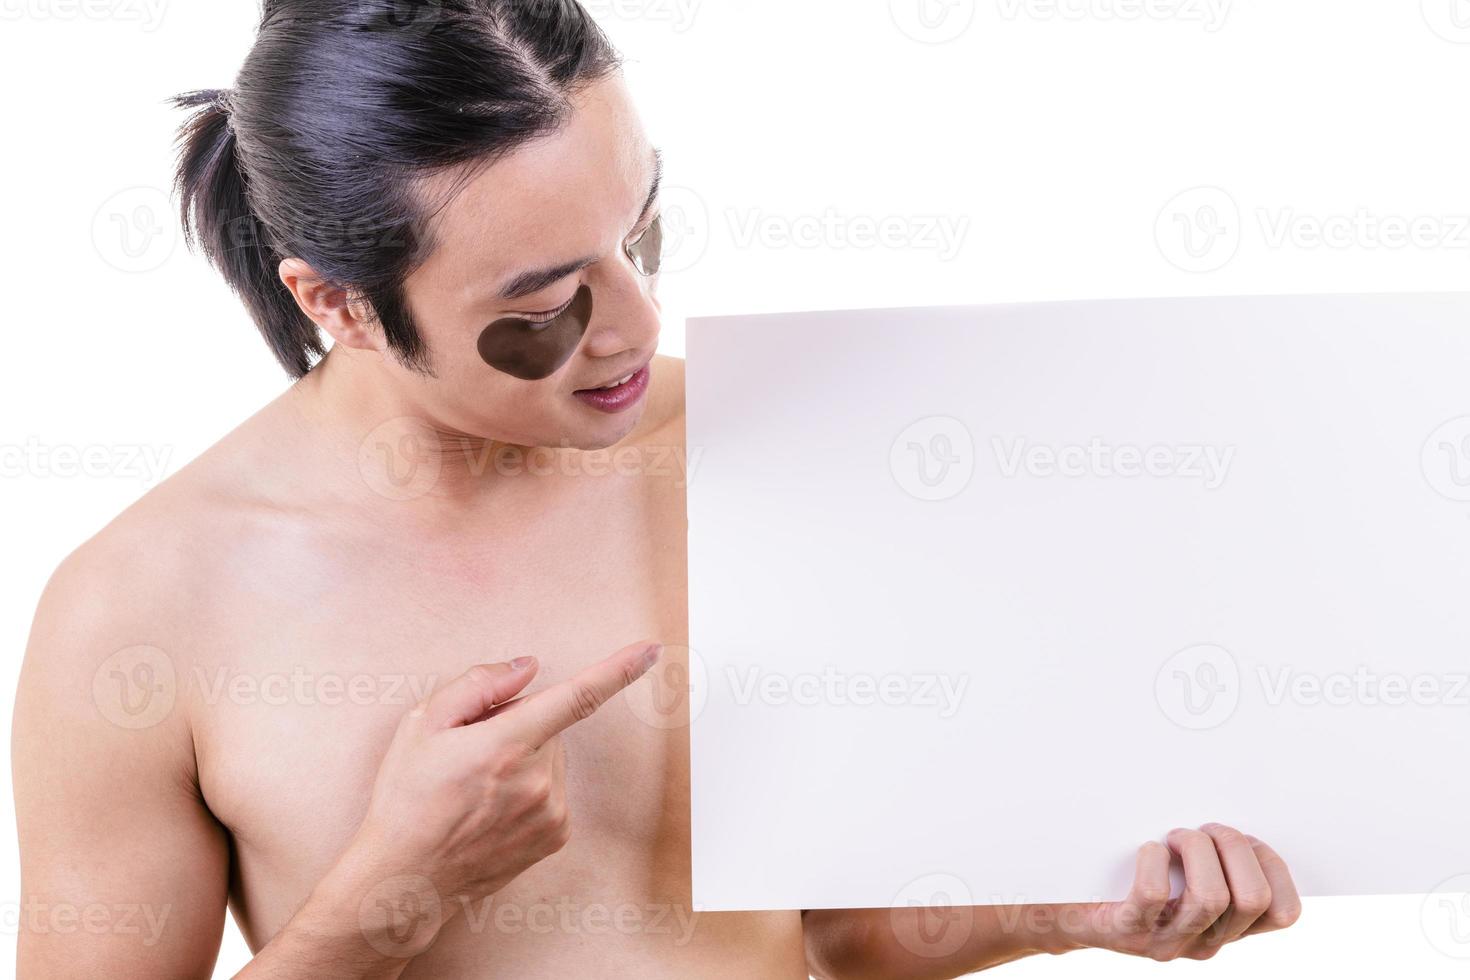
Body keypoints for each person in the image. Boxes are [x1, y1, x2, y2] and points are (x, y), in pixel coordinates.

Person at [12, 2, 1301, 977]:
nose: (636, 325)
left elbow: (843, 935)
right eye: (545, 305)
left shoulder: (775, 446)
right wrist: (392, 894)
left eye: (640, 233)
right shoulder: (139, 610)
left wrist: (1080, 914)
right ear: (337, 303)